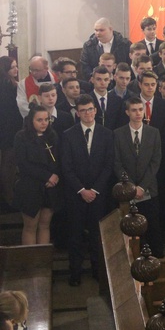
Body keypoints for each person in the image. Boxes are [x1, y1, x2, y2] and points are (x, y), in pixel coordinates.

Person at [61, 95, 114, 286]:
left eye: (90, 109)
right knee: (75, 235)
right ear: (77, 113)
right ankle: (75, 273)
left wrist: (95, 190)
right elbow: (66, 167)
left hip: (98, 194)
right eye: (83, 110)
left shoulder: (107, 134)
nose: (87, 113)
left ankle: (97, 271)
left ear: (96, 110)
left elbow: (109, 165)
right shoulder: (68, 135)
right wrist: (82, 190)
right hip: (76, 194)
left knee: (96, 236)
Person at [114, 98, 164, 257]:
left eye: (140, 110)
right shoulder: (118, 134)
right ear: (127, 112)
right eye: (134, 110)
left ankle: (155, 258)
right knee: (130, 226)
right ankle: (133, 256)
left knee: (152, 225)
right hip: (127, 190)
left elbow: (156, 161)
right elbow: (117, 162)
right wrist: (131, 187)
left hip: (148, 188)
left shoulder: (153, 132)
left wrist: (142, 186)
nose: (137, 113)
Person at [13, 104, 60, 246]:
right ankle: (31, 264)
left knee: (45, 225)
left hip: (50, 187)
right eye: (39, 120)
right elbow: (23, 164)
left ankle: (43, 264)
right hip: (30, 187)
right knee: (30, 227)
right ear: (31, 121)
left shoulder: (52, 135)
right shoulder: (21, 137)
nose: (44, 123)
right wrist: (47, 177)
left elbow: (58, 158)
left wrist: (55, 175)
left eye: (46, 119)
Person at [0, 57, 22, 208]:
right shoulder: (11, 86)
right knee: (9, 165)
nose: (16, 70)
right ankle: (8, 197)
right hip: (10, 129)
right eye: (13, 67)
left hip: (5, 128)